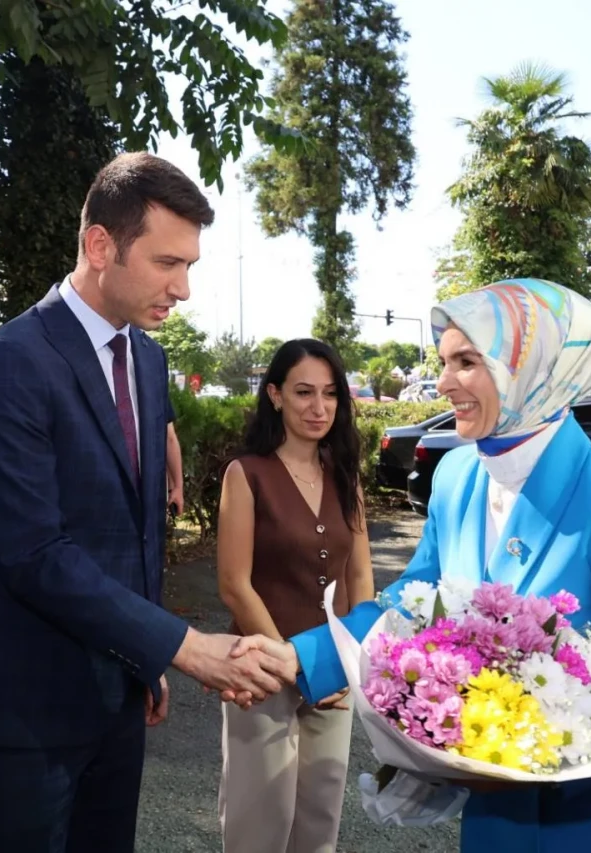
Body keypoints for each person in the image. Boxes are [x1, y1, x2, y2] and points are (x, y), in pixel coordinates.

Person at [233, 279, 591, 852]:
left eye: (467, 362)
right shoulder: (456, 478)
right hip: (497, 828)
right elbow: (409, 606)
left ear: (532, 368)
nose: (443, 381)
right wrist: (298, 657)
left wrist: (520, 764)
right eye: (444, 362)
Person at [0, 151, 295, 853]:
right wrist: (184, 647)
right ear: (100, 245)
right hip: (27, 715)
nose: (184, 288)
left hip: (119, 699)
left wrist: (140, 657)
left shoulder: (150, 359)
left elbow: (135, 534)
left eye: (190, 265)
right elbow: (33, 554)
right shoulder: (10, 362)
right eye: (168, 263)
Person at [216, 339, 374, 853]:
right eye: (304, 392)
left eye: (330, 394)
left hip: (333, 671)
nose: (318, 407)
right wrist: (293, 663)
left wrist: (351, 657)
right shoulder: (246, 474)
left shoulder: (345, 475)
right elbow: (234, 584)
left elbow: (361, 578)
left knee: (319, 821)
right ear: (275, 395)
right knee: (258, 823)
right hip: (261, 670)